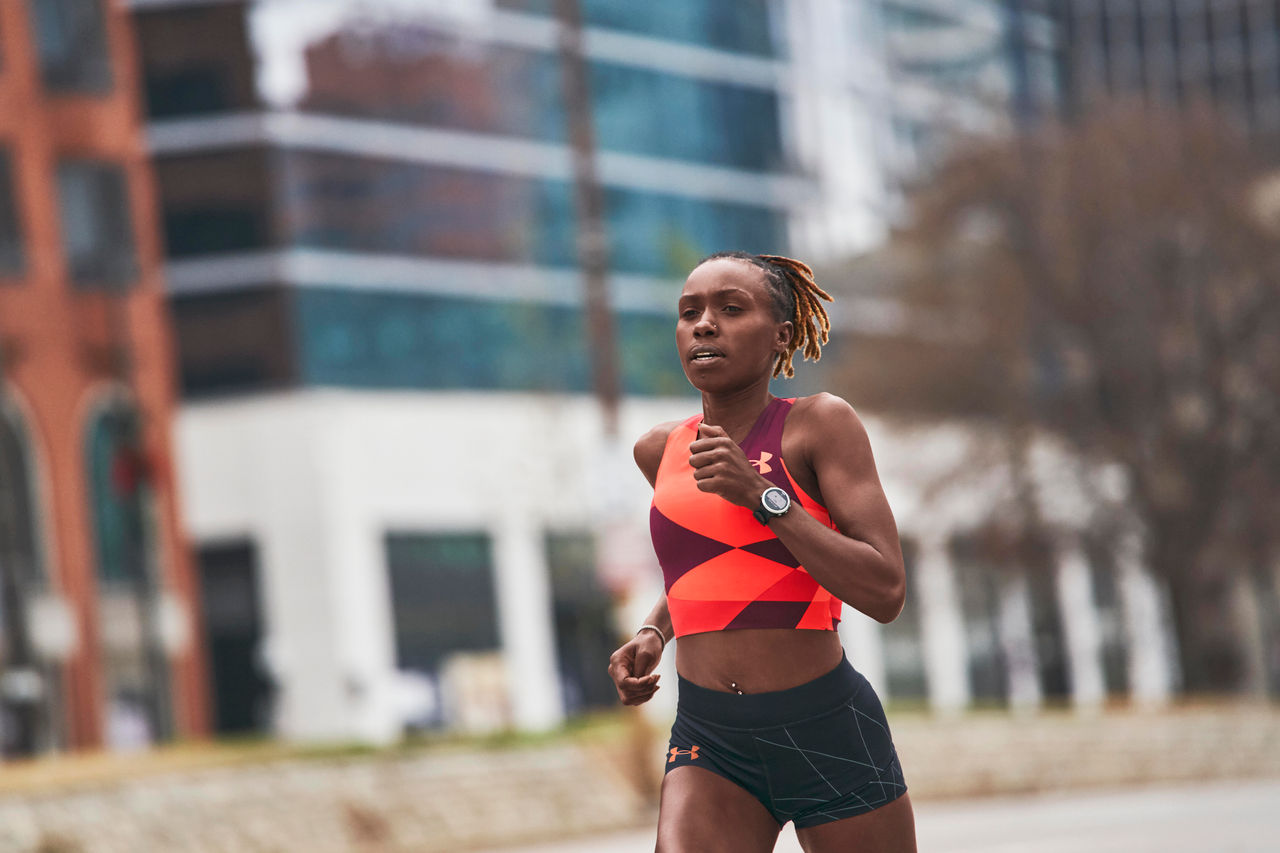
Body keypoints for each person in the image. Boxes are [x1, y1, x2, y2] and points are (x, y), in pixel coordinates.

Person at [608, 252, 916, 852]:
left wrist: (764, 497)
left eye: (730, 308)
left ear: (780, 336)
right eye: (689, 312)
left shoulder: (819, 426)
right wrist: (654, 630)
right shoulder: (659, 451)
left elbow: (885, 591)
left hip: (826, 728)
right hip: (710, 738)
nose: (703, 324)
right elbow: (718, 562)